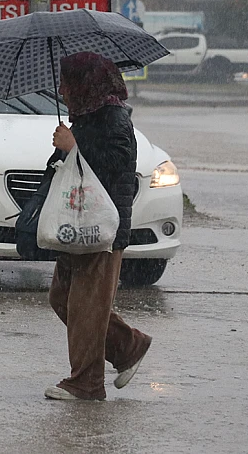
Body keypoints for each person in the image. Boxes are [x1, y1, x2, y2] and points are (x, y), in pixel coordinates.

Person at [44, 51, 153, 401]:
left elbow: (115, 164)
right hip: (77, 226)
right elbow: (75, 167)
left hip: (100, 229)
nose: (62, 90)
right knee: (63, 297)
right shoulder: (88, 116)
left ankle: (87, 382)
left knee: (87, 305)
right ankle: (126, 346)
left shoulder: (114, 118)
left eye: (67, 82)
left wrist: (76, 145)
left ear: (85, 83)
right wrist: (63, 150)